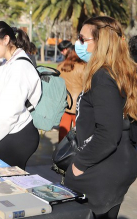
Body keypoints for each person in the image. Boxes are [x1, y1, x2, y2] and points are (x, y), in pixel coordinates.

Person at [64, 16, 137, 219]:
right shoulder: (120, 71)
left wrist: (79, 164)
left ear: (100, 42)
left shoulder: (103, 76)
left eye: (83, 38)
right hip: (119, 162)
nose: (78, 44)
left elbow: (108, 133)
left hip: (105, 166)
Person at [0, 22, 41, 169]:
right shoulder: (9, 64)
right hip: (10, 132)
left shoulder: (19, 67)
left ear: (6, 39)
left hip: (17, 134)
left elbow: (9, 111)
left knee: (10, 184)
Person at [57, 45, 86, 141]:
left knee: (63, 133)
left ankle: (61, 152)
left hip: (64, 104)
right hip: (79, 105)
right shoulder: (83, 67)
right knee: (81, 134)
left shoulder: (60, 66)